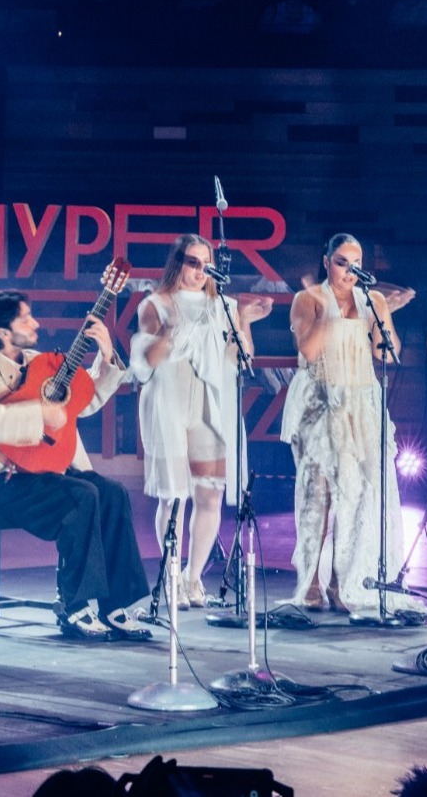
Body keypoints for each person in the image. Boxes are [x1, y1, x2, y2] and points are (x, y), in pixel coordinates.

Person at [0, 289, 152, 642]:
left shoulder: (41, 361)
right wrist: (38, 414)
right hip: (5, 483)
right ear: (2, 333)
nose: (35, 323)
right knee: (82, 496)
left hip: (50, 472)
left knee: (112, 493)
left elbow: (82, 402)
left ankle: (116, 606)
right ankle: (74, 606)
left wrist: (106, 356)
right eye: (25, 319)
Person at [130, 234, 269, 607]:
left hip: (210, 400)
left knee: (210, 493)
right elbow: (146, 362)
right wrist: (170, 330)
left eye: (206, 264)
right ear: (177, 263)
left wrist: (244, 322)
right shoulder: (155, 304)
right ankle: (172, 577)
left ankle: (194, 579)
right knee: (174, 496)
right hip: (170, 398)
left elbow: (240, 358)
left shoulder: (224, 304)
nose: (200, 270)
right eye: (192, 262)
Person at [281, 232, 404, 615]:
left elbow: (388, 353)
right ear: (326, 261)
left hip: (360, 401)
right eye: (342, 263)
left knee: (356, 495)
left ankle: (341, 581)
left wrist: (383, 315)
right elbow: (308, 350)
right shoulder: (309, 299)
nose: (350, 271)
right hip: (320, 400)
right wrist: (331, 313)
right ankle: (311, 582)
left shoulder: (373, 300)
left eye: (356, 264)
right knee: (318, 496)